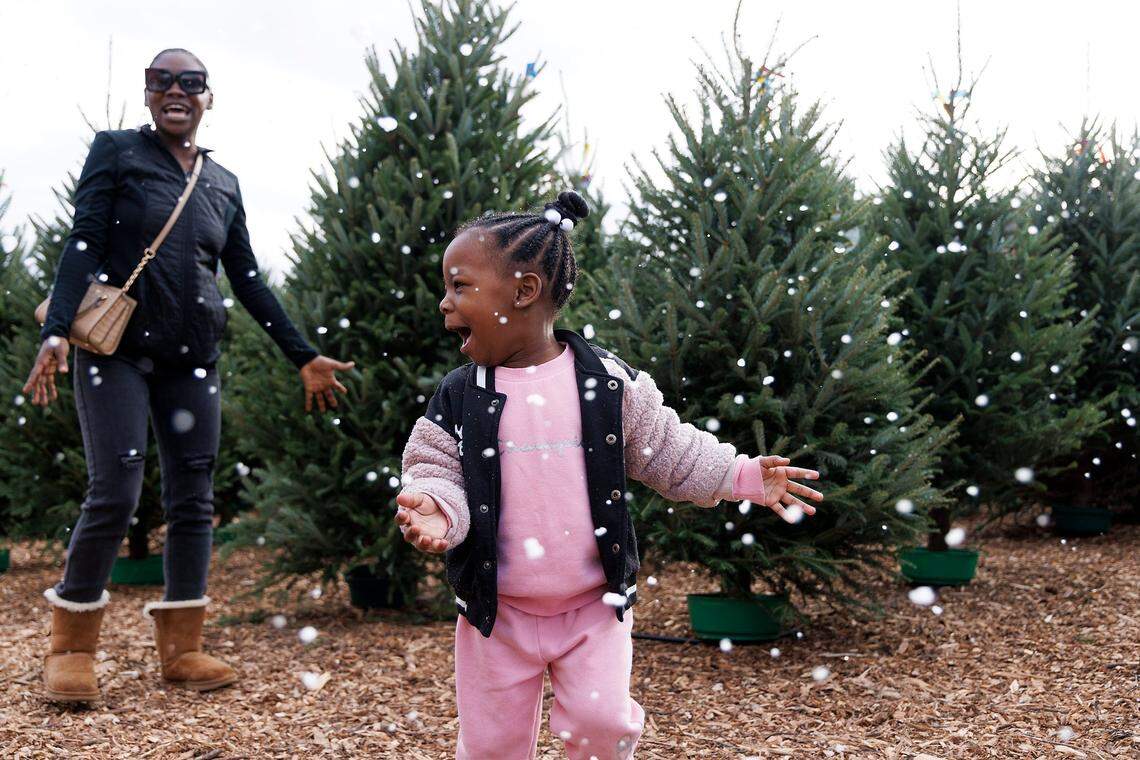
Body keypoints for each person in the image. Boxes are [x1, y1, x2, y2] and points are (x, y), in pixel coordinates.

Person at [394, 190, 824, 758]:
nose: (445, 304)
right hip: (496, 613)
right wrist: (435, 507)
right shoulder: (460, 394)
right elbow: (435, 465)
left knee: (601, 724)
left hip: (593, 609)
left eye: (460, 287)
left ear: (524, 291)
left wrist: (741, 475)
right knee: (491, 745)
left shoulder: (606, 382)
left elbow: (669, 450)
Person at [22, 48, 354, 703]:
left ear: (208, 96)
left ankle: (183, 649)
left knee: (194, 498)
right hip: (116, 352)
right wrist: (55, 331)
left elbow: (247, 279)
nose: (177, 90)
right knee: (115, 491)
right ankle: (71, 649)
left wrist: (301, 354)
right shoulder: (117, 152)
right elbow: (82, 242)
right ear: (148, 93)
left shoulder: (221, 182)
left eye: (191, 82)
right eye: (162, 81)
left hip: (193, 358)